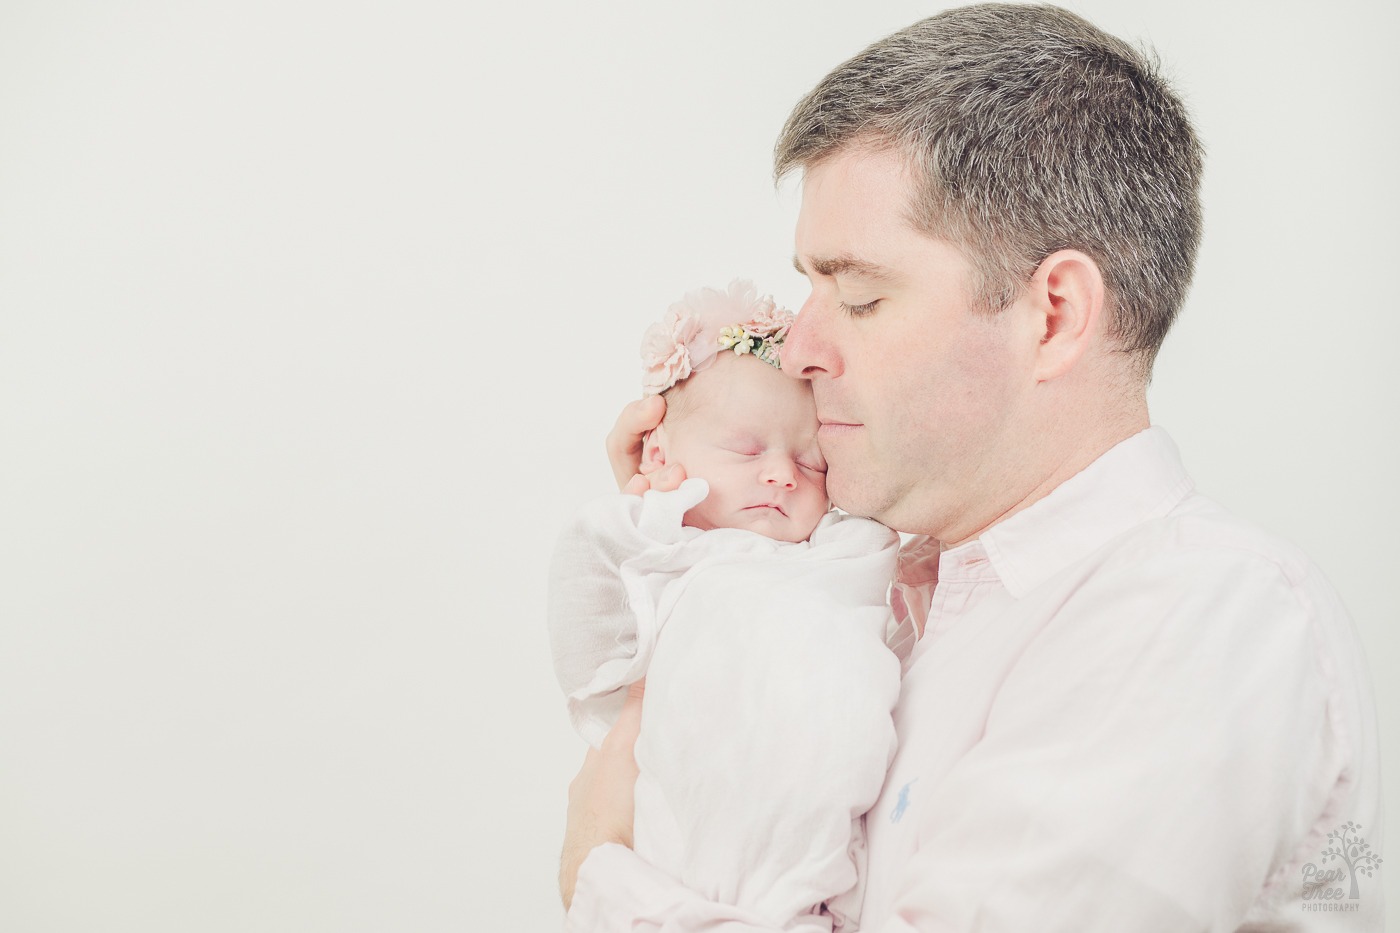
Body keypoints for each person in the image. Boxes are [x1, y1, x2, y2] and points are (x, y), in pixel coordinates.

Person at [561, 5, 1383, 931]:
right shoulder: (883, 595)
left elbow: (620, 827)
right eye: (808, 288)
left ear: (1056, 314)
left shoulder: (1203, 619)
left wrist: (605, 878)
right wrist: (683, 549)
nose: (796, 348)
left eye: (861, 296)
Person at [549, 281, 908, 930]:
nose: (782, 474)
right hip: (700, 824)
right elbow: (590, 616)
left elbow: (878, 536)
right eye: (748, 451)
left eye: (810, 461)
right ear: (662, 456)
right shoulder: (675, 564)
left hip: (821, 813)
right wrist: (648, 519)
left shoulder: (833, 548)